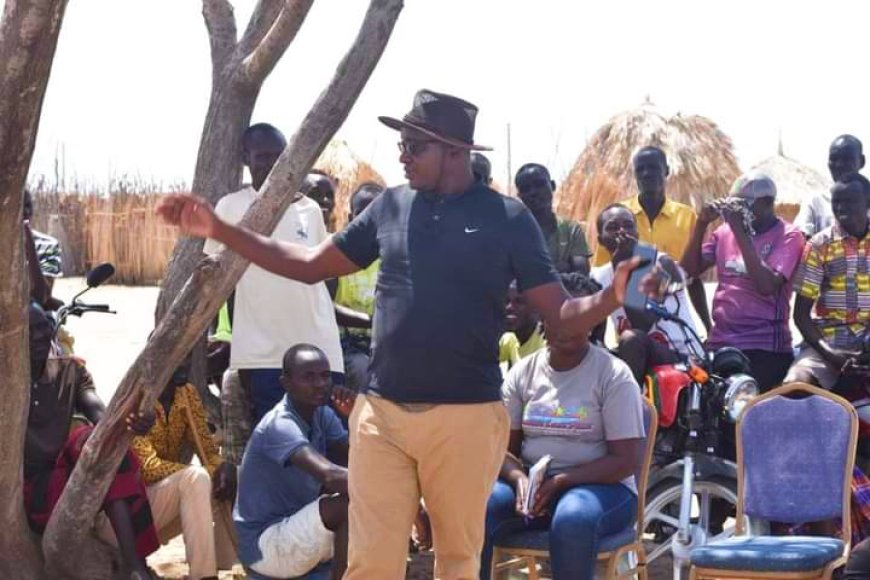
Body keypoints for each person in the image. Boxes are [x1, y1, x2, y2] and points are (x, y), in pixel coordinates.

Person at [157, 89, 648, 579]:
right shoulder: (389, 207)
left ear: (455, 152)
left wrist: (610, 297)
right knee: (369, 562)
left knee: (456, 560)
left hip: (466, 420)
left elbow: (560, 313)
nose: (402, 154)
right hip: (382, 416)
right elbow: (309, 266)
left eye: (415, 145)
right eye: (402, 143)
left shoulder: (508, 220)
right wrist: (220, 230)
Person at [480, 295, 646, 579]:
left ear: (591, 322)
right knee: (478, 506)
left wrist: (561, 482)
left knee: (572, 518)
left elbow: (626, 461)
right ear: (543, 319)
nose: (564, 327)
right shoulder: (523, 373)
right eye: (556, 317)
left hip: (602, 488)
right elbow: (503, 452)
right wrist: (520, 480)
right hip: (535, 488)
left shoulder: (613, 375)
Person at [203, 123, 344, 425]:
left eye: (277, 156)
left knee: (324, 437)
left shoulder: (310, 210)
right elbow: (214, 278)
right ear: (245, 158)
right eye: (262, 156)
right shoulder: (231, 207)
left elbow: (324, 274)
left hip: (318, 347)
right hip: (262, 352)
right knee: (277, 441)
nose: (270, 164)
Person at [23, 303, 159, 580]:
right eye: (28, 330)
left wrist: (129, 421)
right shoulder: (8, 382)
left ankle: (134, 565)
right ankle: (135, 566)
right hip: (32, 489)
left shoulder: (70, 371)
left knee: (100, 441)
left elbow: (101, 415)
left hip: (68, 478)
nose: (37, 335)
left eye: (42, 327)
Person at [234, 344, 353, 580]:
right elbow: (331, 476)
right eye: (308, 377)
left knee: (367, 505)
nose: (320, 384)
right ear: (285, 383)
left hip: (293, 531)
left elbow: (355, 459)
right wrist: (396, 487)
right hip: (264, 545)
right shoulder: (279, 424)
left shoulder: (322, 415)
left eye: (325, 376)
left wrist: (356, 416)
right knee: (347, 504)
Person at [682, 172, 805, 392]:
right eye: (733, 206)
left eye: (742, 206)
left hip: (765, 347)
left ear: (767, 203)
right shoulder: (724, 233)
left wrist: (739, 230)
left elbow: (766, 285)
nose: (736, 213)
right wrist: (701, 224)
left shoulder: (789, 236)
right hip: (721, 342)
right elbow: (689, 270)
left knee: (747, 414)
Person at [131, 363, 238, 580]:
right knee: (198, 478)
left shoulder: (187, 393)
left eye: (187, 355)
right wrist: (203, 473)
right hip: (134, 514)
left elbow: (208, 451)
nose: (181, 362)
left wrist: (221, 467)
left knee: (228, 473)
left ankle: (229, 563)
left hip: (169, 500)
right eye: (175, 354)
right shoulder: (137, 399)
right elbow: (149, 470)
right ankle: (203, 576)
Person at [593, 146, 713, 333]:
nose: (647, 174)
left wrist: (708, 327)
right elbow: (603, 284)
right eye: (640, 169)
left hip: (674, 323)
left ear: (666, 171)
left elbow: (692, 278)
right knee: (634, 340)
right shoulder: (619, 218)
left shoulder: (686, 216)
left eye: (653, 167)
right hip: (632, 324)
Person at [593, 202, 699, 385]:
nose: (621, 231)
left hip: (680, 354)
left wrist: (623, 268)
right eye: (612, 227)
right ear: (601, 240)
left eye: (628, 225)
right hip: (637, 354)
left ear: (637, 233)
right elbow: (596, 335)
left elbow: (641, 322)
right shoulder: (597, 276)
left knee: (632, 338)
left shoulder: (660, 262)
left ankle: (629, 406)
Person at [785, 173, 870, 388]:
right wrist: (831, 354)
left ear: (867, 202)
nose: (840, 208)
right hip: (827, 343)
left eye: (848, 201)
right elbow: (801, 315)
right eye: (836, 202)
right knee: (795, 386)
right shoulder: (819, 245)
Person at [332, 182, 384, 391]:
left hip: (386, 346)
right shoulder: (334, 255)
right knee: (364, 371)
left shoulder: (400, 257)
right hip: (347, 344)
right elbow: (327, 307)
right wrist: (372, 323)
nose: (370, 222)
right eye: (363, 215)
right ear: (351, 218)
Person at [515, 163, 590, 274]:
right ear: (520, 196)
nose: (533, 192)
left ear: (553, 185)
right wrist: (561, 268)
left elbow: (581, 273)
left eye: (539, 184)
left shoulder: (571, 230)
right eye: (526, 189)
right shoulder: (513, 232)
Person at [794, 135, 865, 238]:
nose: (839, 164)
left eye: (846, 159)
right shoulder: (815, 202)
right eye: (834, 159)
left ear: (862, 161)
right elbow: (801, 238)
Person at [498, 281, 546, 372]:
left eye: (519, 302)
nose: (509, 307)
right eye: (506, 301)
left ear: (535, 308)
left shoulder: (545, 344)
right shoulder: (510, 339)